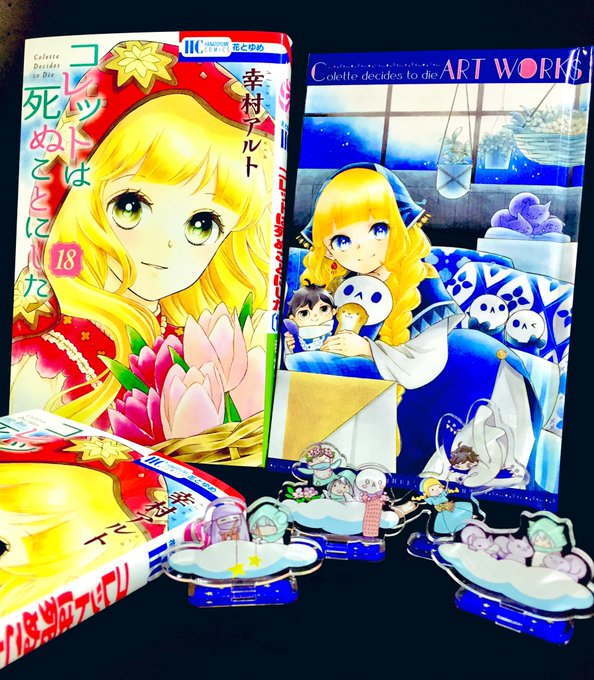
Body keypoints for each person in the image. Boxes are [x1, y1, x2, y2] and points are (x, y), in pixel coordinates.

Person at [11, 40, 275, 432]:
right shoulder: (45, 359)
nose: (166, 244)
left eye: (203, 224)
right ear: (79, 202)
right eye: (130, 206)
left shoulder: (189, 339)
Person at [287, 163, 543, 480]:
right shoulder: (336, 287)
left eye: (377, 230)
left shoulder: (423, 287)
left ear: (400, 226)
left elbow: (422, 367)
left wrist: (368, 350)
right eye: (342, 240)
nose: (360, 248)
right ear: (327, 247)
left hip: (460, 378)